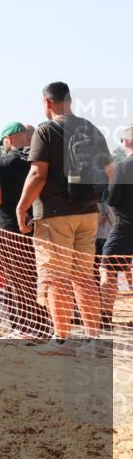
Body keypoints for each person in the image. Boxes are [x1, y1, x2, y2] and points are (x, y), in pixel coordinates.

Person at [16, 82, 114, 352]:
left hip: (54, 215)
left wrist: (22, 207)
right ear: (69, 100)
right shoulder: (91, 129)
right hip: (88, 213)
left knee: (56, 278)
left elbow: (37, 174)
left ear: (47, 103)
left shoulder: (45, 130)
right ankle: (93, 340)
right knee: (84, 277)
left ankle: (61, 339)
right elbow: (110, 172)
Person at [0, 121, 51, 338]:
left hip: (12, 229)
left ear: (8, 139)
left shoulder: (4, 161)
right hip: (41, 225)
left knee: (18, 280)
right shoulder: (41, 159)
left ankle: (27, 328)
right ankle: (46, 325)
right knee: (41, 277)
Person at [101, 125, 133, 327]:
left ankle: (105, 317)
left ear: (127, 142)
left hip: (125, 227)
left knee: (107, 269)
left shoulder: (122, 167)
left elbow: (112, 199)